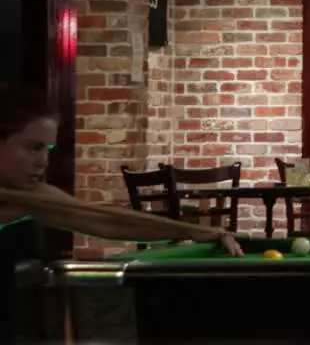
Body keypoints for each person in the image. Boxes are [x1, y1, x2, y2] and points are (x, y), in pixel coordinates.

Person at [0, 83, 242, 255]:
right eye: (34, 148)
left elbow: (111, 222)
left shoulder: (32, 197)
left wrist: (191, 231)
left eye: (48, 149)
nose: (43, 162)